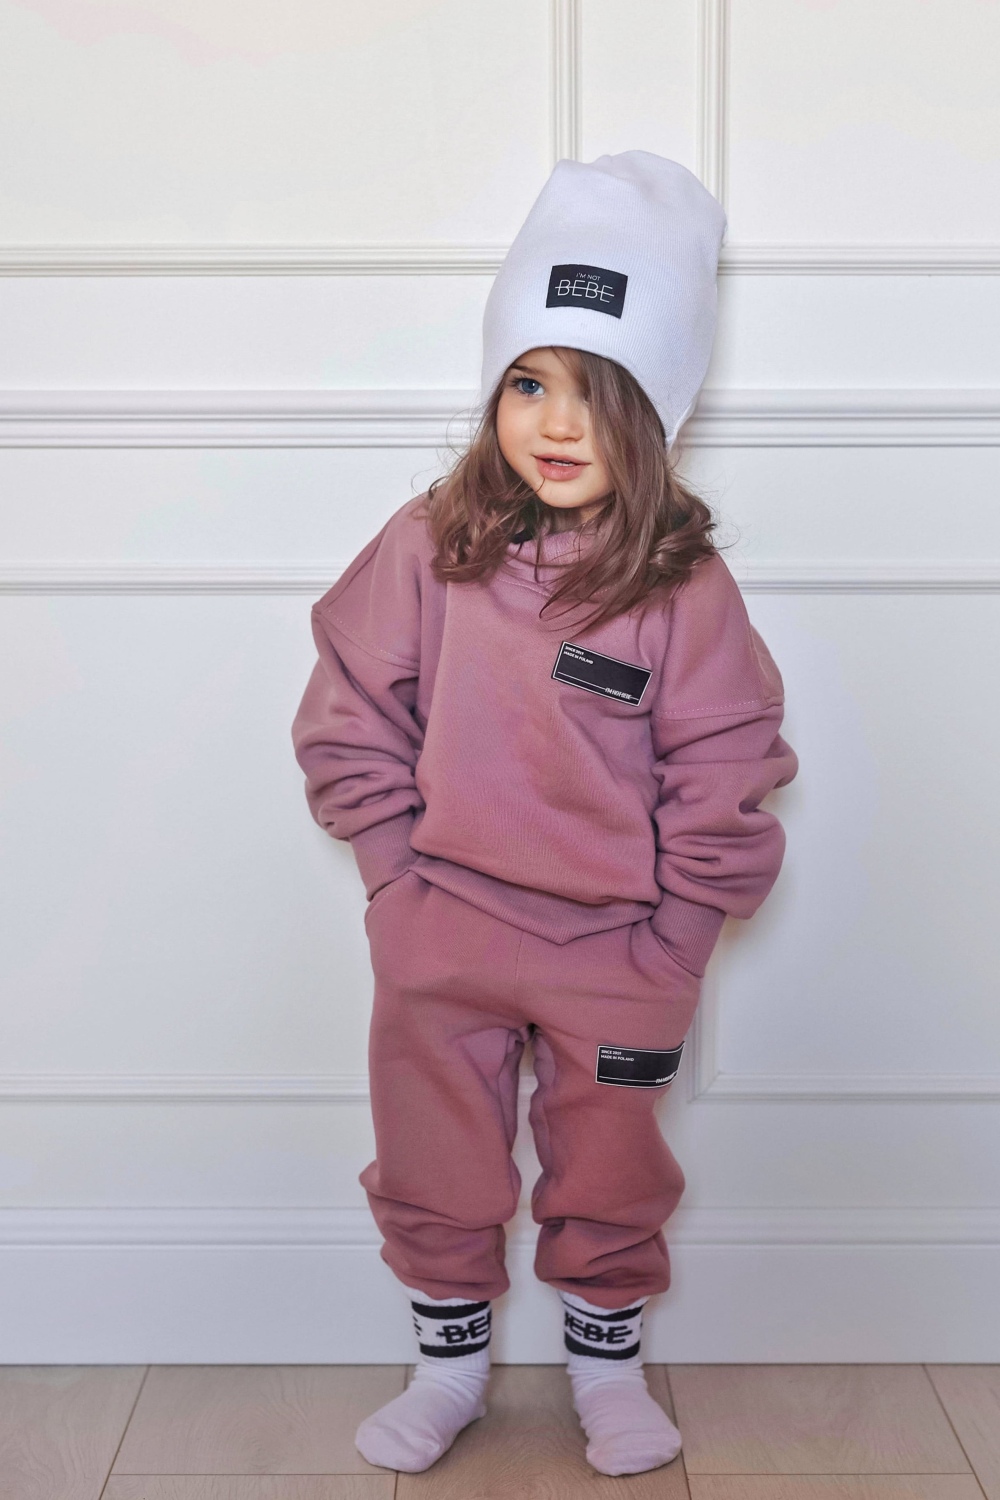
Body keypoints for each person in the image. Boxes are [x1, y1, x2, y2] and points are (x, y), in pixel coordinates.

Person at [291, 150, 799, 1478]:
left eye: (598, 389)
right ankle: (448, 1371)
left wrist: (678, 941)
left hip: (620, 954)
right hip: (443, 932)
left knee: (611, 1166)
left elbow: (727, 767)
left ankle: (606, 1374)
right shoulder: (428, 544)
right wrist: (395, 884)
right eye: (529, 381)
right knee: (433, 1158)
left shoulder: (684, 589)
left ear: (659, 408)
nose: (557, 423)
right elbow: (349, 710)